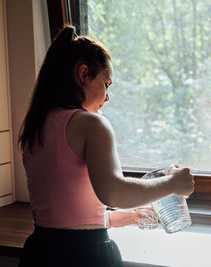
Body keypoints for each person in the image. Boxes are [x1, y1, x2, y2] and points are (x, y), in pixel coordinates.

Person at [17, 25, 195, 267]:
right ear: (83, 74)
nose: (108, 96)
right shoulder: (90, 124)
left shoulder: (35, 125)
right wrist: (172, 184)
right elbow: (114, 193)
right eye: (106, 83)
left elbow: (62, 210)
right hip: (84, 256)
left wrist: (113, 218)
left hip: (39, 252)